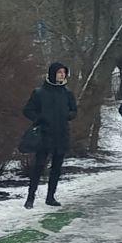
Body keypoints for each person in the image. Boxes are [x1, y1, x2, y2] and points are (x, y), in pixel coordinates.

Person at [22, 63, 78, 208]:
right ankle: (30, 197)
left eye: (64, 73)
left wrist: (68, 115)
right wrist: (39, 119)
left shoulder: (67, 93)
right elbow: (28, 110)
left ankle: (50, 197)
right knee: (39, 166)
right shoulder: (40, 92)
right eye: (59, 72)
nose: (62, 75)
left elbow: (74, 110)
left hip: (61, 134)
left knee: (57, 168)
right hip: (45, 134)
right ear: (52, 73)